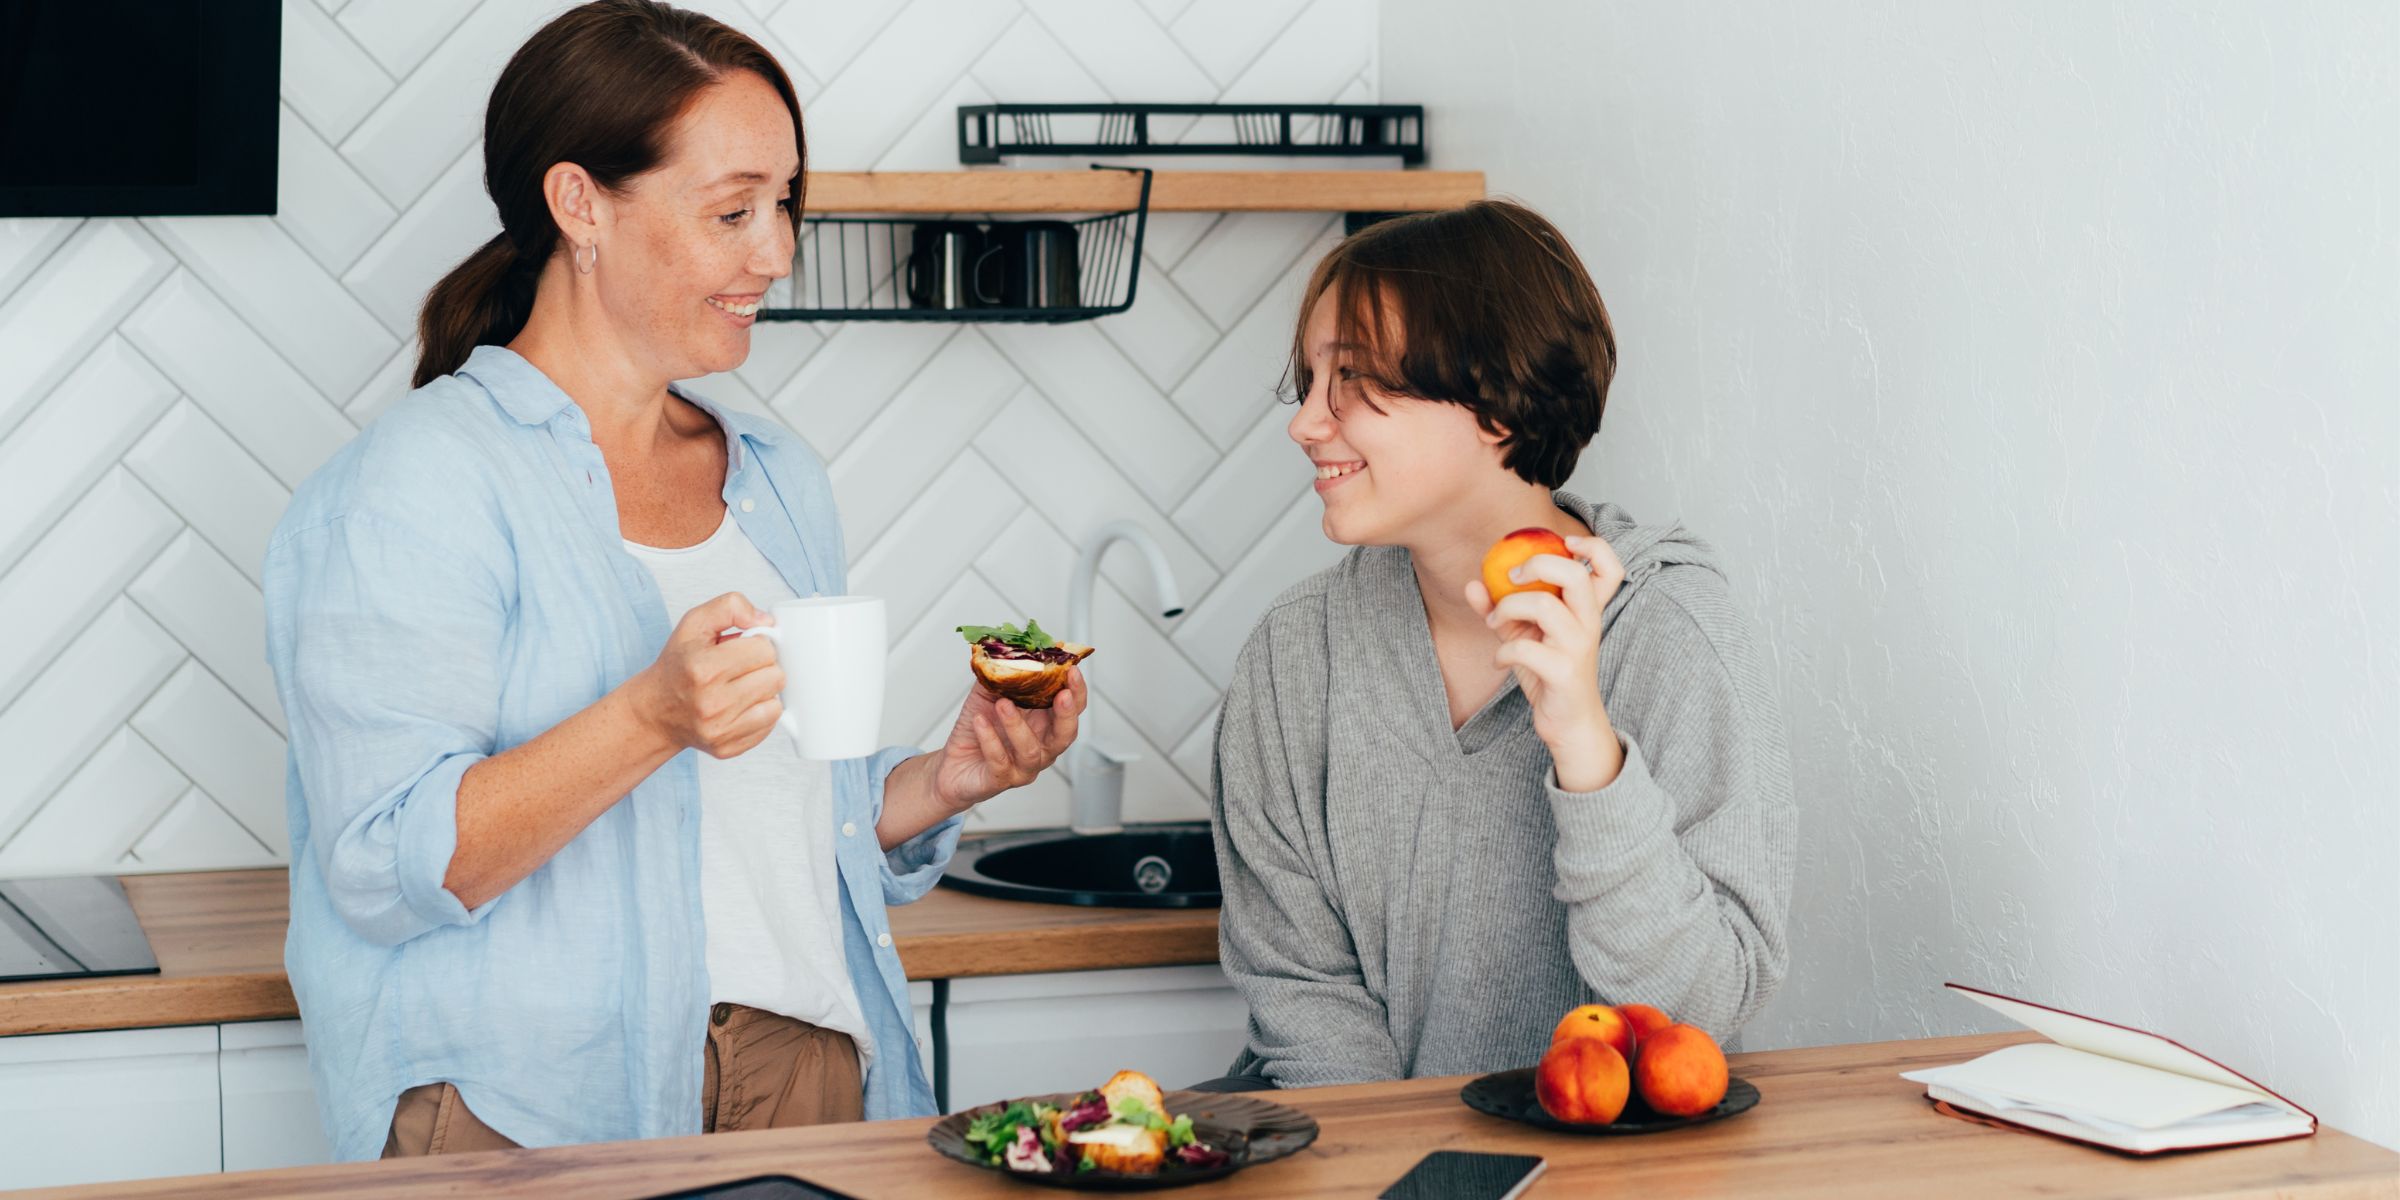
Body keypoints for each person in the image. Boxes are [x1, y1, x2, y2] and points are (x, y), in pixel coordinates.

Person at [262, 0, 1080, 1160]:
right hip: (526, 1104)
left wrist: (944, 783)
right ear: (580, 203)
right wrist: (651, 716)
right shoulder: (419, 482)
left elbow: (779, 818)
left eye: (787, 203)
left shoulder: (775, 477)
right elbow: (384, 867)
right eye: (733, 211)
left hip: (805, 1073)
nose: (777, 250)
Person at [1206, 200, 1795, 1089]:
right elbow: (1302, 994)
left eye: (1356, 380)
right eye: (1311, 381)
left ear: (1495, 401)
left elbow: (1701, 1010)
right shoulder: (1296, 656)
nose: (1307, 423)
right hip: (1359, 1164)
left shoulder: (1671, 636)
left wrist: (1586, 751)